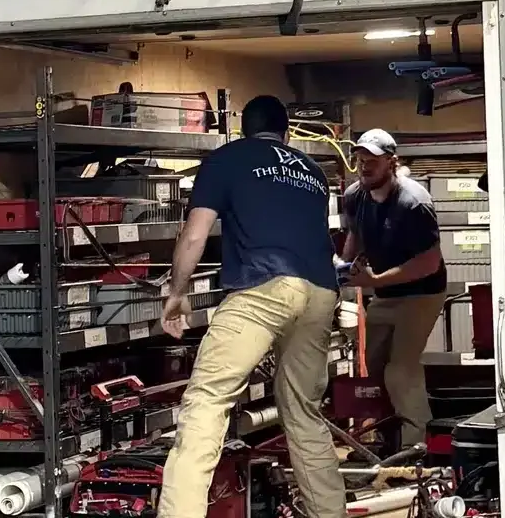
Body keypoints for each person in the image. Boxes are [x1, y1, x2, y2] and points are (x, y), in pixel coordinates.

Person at [156, 95, 346, 518]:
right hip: (320, 292)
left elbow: (194, 235)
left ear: (244, 130)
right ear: (286, 134)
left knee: (207, 401)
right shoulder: (313, 172)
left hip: (263, 288)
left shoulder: (227, 159)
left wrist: (176, 293)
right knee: (303, 411)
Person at [341, 129, 447, 448]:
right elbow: (355, 235)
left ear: (392, 162)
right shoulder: (355, 195)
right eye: (360, 160)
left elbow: (429, 263)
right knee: (375, 368)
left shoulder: (413, 203)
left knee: (400, 370)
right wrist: (344, 268)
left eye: (372, 161)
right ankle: (389, 443)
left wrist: (375, 281)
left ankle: (417, 448)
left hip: (422, 293)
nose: (364, 166)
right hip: (385, 294)